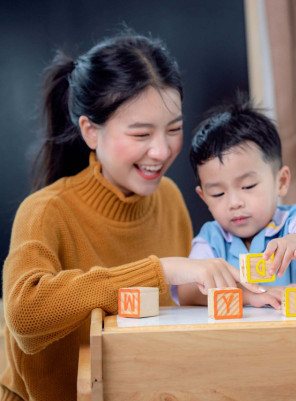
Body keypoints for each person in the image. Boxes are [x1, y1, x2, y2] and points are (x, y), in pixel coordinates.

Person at [0, 33, 270, 401]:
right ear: (90, 131)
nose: (161, 150)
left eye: (174, 129)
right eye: (141, 133)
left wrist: (293, 248)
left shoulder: (169, 199)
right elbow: (25, 315)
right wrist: (161, 270)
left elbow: (179, 309)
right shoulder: (46, 212)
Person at [175, 96, 296, 307]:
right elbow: (188, 292)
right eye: (218, 194)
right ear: (204, 198)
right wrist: (249, 295)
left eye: (248, 187)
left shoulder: (295, 221)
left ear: (281, 181)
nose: (234, 203)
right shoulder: (211, 240)